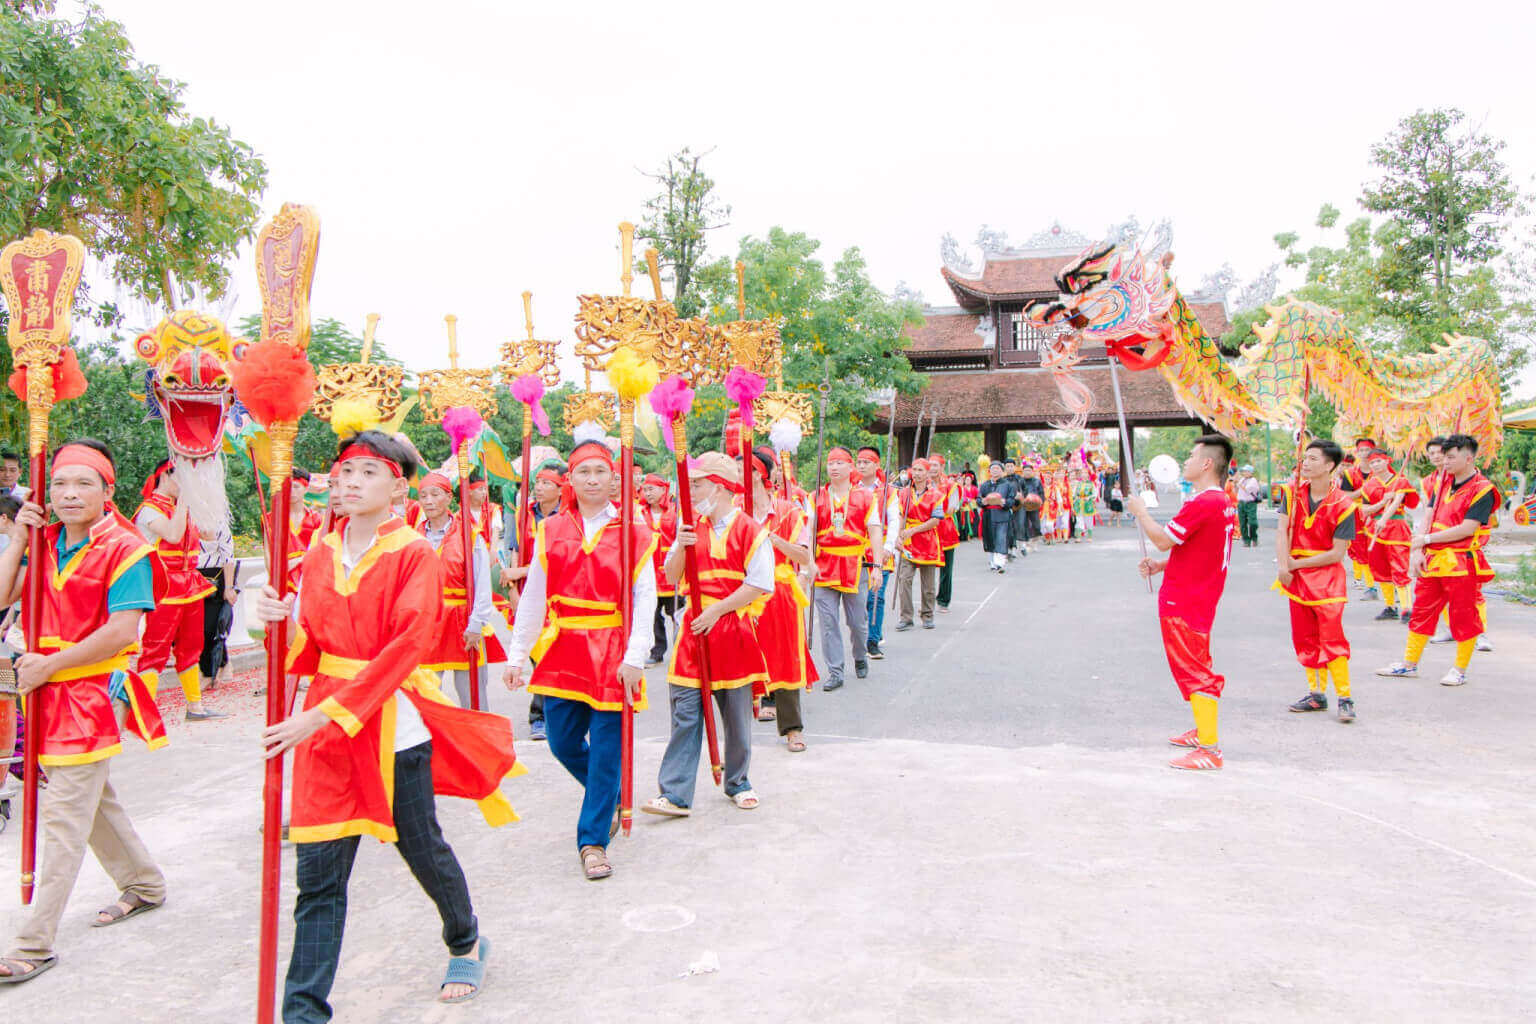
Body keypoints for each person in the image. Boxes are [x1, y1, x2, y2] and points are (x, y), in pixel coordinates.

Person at [255, 429, 519, 1019]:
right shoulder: (319, 552)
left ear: (398, 488)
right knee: (318, 878)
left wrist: (321, 713)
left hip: (391, 727)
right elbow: (309, 644)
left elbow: (406, 646)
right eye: (345, 471)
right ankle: (304, 1011)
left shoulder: (412, 554)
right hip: (323, 734)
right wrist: (277, 619)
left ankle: (466, 938)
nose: (350, 482)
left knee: (421, 848)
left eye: (367, 473)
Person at [0, 440, 169, 986]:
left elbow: (121, 632)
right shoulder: (44, 543)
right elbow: (4, 594)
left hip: (95, 693)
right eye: (60, 485)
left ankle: (35, 941)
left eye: (83, 484)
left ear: (107, 491)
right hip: (48, 689)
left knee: (64, 816)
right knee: (90, 801)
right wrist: (20, 537)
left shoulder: (128, 548)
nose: (70, 495)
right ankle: (144, 884)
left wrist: (49, 666)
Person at [502, 440, 653, 880]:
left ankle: (591, 842)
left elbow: (644, 597)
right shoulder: (550, 529)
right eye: (583, 471)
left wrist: (636, 656)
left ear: (614, 479)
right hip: (563, 646)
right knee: (562, 741)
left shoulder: (633, 530)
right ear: (572, 478)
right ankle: (608, 795)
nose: (592, 479)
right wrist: (516, 654)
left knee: (607, 750)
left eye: (600, 472)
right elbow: (533, 597)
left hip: (612, 648)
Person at [646, 452, 771, 815]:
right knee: (685, 712)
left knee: (735, 715)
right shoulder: (689, 526)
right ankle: (675, 793)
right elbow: (670, 576)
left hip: (731, 628)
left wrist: (716, 609)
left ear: (718, 487)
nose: (692, 490)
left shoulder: (750, 529)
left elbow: (760, 584)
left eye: (697, 483)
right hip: (693, 633)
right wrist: (683, 547)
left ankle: (738, 781)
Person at [1125, 434, 1237, 771]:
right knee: (1196, 661)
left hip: (1186, 600)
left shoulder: (1205, 502)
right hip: (1198, 594)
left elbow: (1161, 540)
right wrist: (1164, 566)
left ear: (1206, 463)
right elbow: (1201, 549)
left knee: (1194, 669)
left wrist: (1141, 512)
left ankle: (1210, 749)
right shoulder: (1220, 501)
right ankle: (1203, 731)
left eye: (1191, 456)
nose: (1185, 461)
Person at [1376, 434, 1497, 687]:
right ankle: (1409, 664)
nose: (1445, 461)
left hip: (1461, 561)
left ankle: (1460, 669)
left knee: (1463, 616)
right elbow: (1428, 514)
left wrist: (1427, 539)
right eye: (1444, 456)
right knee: (1422, 611)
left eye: (1451, 457)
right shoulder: (1442, 482)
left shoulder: (1483, 489)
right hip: (1432, 559)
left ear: (1469, 458)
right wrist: (1419, 549)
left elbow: (1467, 528)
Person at [133, 459, 224, 720]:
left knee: (192, 645)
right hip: (163, 585)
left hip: (190, 584)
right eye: (182, 479)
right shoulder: (149, 510)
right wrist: (186, 500)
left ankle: (195, 706)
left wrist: (207, 502)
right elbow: (172, 535)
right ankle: (143, 710)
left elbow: (208, 535)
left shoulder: (180, 507)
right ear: (165, 476)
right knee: (156, 647)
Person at [1275, 441, 1357, 721]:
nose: (1305, 463)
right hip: (1296, 578)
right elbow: (1282, 530)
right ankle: (1316, 694)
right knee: (1304, 637)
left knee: (1332, 639)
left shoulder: (1345, 505)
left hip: (1327, 580)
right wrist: (1284, 565)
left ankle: (1345, 697)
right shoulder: (1292, 493)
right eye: (1304, 458)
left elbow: (1337, 553)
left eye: (1312, 459)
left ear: (1330, 465)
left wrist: (1297, 563)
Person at [743, 446, 816, 752]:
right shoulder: (736, 511)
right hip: (743, 592)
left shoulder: (789, 511)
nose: (738, 478)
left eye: (743, 471)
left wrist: (771, 538)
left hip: (779, 589)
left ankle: (792, 729)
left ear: (761, 475)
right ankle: (738, 730)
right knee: (742, 656)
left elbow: (803, 555)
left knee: (786, 658)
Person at [415, 471, 498, 710]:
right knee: (425, 694)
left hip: (462, 621)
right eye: (423, 495)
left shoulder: (468, 536)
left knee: (472, 694)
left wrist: (477, 623)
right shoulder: (413, 536)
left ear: (449, 498)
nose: (429, 501)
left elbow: (481, 582)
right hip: (427, 621)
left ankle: (479, 743)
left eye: (435, 494)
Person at [502, 460, 565, 740]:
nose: (539, 488)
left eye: (547, 483)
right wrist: (515, 590)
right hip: (530, 593)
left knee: (553, 655)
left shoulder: (567, 518)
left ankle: (546, 714)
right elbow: (515, 553)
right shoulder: (524, 515)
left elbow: (554, 561)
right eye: (537, 482)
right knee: (535, 655)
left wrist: (522, 571)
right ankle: (540, 715)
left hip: (559, 592)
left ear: (561, 488)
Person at [810, 447, 881, 691]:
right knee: (828, 621)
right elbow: (808, 533)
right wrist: (806, 564)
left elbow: (874, 531)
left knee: (857, 621)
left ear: (850, 468)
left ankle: (860, 655)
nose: (835, 467)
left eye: (840, 463)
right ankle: (835, 670)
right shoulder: (815, 497)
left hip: (854, 565)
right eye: (831, 463)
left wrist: (878, 566)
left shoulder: (865, 496)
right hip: (824, 566)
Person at [1360, 449, 1419, 622]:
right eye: (1371, 463)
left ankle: (1407, 609)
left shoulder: (1400, 481)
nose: (1375, 465)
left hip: (1396, 527)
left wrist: (1384, 518)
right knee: (1380, 568)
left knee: (1399, 568)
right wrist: (1382, 502)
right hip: (1375, 529)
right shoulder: (1369, 485)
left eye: (1378, 461)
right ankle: (1390, 606)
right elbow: (1365, 509)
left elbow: (1397, 502)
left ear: (1387, 461)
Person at [854, 446, 896, 660]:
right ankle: (863, 635)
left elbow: (894, 520)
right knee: (859, 600)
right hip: (857, 551)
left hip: (880, 551)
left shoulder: (887, 491)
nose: (861, 466)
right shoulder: (851, 488)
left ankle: (873, 640)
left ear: (877, 465)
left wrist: (889, 546)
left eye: (866, 462)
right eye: (859, 462)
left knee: (875, 597)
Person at [894, 457, 943, 630]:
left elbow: (935, 520)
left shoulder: (936, 495)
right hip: (908, 542)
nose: (917, 473)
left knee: (928, 583)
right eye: (914, 469)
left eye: (921, 470)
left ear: (928, 472)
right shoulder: (904, 493)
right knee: (904, 579)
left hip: (927, 541)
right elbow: (900, 515)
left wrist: (913, 530)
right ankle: (906, 616)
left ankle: (927, 615)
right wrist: (898, 535)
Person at [640, 473, 679, 666]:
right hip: (650, 572)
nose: (647, 494)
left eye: (651, 489)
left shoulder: (675, 510)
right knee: (653, 616)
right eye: (645, 490)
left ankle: (681, 650)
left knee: (677, 614)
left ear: (663, 490)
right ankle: (657, 652)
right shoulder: (640, 512)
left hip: (671, 572)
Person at [1337, 440, 1378, 598]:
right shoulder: (1350, 474)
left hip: (1378, 514)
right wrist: (1362, 491)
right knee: (1361, 551)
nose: (1364, 453)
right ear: (1357, 453)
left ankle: (1391, 584)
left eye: (1367, 450)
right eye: (1361, 450)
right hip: (1357, 515)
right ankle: (1371, 587)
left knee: (1382, 550)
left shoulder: (1381, 470)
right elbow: (1345, 496)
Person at [933, 456, 961, 611]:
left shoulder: (951, 486)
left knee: (946, 568)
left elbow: (951, 508)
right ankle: (928, 600)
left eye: (935, 465)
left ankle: (943, 600)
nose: (932, 468)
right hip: (927, 529)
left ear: (942, 467)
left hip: (945, 529)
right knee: (926, 567)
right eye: (929, 465)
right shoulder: (923, 484)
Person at [978, 461, 1017, 572]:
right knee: (990, 538)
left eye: (997, 468)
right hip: (988, 515)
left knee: (1001, 537)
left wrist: (1003, 502)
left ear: (1002, 471)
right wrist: (983, 502)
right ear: (989, 471)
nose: (995, 471)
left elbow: (1011, 500)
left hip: (1002, 514)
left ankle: (1000, 562)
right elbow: (979, 499)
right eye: (993, 469)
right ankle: (992, 562)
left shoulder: (1008, 485)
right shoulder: (985, 485)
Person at [1235, 465, 1262, 547]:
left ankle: (1254, 537)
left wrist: (1238, 484)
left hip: (1250, 503)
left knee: (1252, 522)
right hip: (1241, 503)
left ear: (1250, 472)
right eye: (1244, 471)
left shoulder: (1253, 481)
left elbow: (1247, 489)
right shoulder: (1242, 480)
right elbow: (1237, 489)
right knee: (1242, 523)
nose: (1244, 473)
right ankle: (1246, 540)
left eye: (1246, 471)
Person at [1070, 466, 1097, 542]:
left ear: (1088, 474)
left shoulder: (1091, 484)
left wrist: (1089, 498)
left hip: (1088, 504)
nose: (1083, 474)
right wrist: (1075, 500)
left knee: (1089, 520)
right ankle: (1078, 537)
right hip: (1079, 504)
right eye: (1082, 473)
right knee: (1079, 520)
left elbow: (1095, 494)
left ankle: (1089, 536)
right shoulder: (1078, 484)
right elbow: (1074, 494)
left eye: (1085, 473)